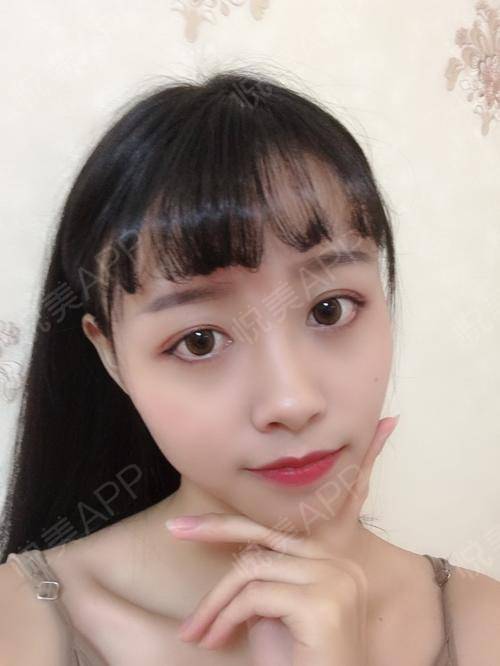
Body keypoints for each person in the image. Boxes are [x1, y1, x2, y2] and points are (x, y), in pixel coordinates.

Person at [0, 67, 499, 665]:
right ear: (110, 355)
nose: (292, 402)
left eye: (330, 308)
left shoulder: (480, 622)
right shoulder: (22, 623)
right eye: (199, 341)